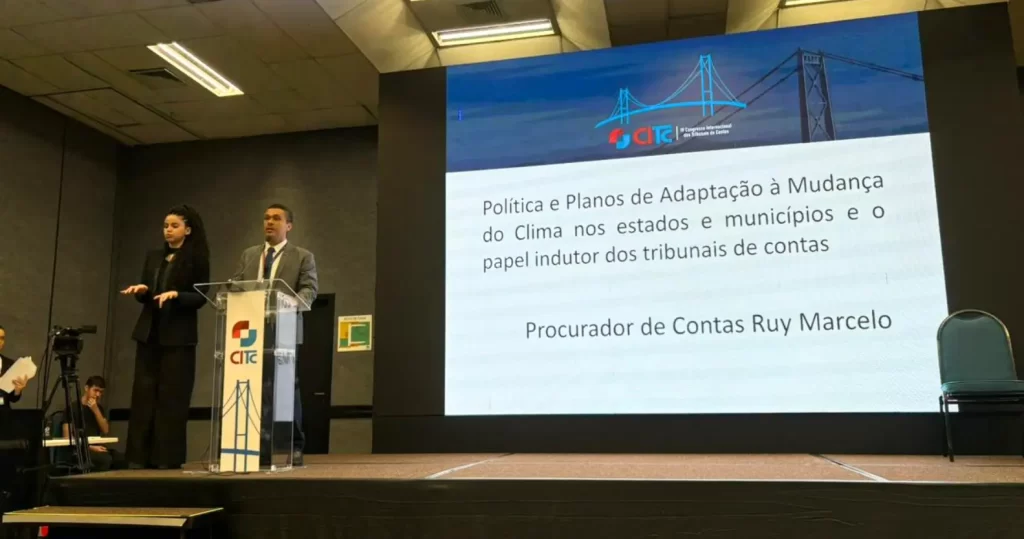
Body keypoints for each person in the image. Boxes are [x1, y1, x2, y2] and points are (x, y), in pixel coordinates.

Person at [121, 205, 210, 469]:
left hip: (178, 337)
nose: (168, 230)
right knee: (143, 395)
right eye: (165, 226)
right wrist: (142, 291)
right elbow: (148, 293)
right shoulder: (154, 256)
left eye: (174, 226)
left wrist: (177, 295)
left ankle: (166, 458)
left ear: (188, 230)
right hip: (149, 333)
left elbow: (201, 296)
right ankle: (138, 457)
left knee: (172, 397)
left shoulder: (196, 258)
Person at [231, 203, 317, 466]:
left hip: (284, 329)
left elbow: (309, 290)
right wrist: (229, 291)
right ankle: (259, 447)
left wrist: (290, 304)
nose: (269, 222)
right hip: (251, 330)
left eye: (276, 218)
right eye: (266, 218)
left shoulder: (302, 256)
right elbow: (236, 284)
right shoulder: (249, 255)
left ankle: (294, 446)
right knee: (257, 389)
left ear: (288, 226)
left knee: (286, 389)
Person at [60, 376, 122, 472]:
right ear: (86, 388)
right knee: (105, 460)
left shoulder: (99, 408)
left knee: (120, 459)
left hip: (98, 445)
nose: (98, 394)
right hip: (81, 449)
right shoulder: (72, 408)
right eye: (95, 390)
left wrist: (96, 410)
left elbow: (105, 430)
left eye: (101, 392)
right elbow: (67, 436)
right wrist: (89, 447)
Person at [0, 325, 30, 429]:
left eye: (2, 338)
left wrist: (18, 390)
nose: (0, 341)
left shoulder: (10, 364)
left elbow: (13, 398)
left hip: (4, 417)